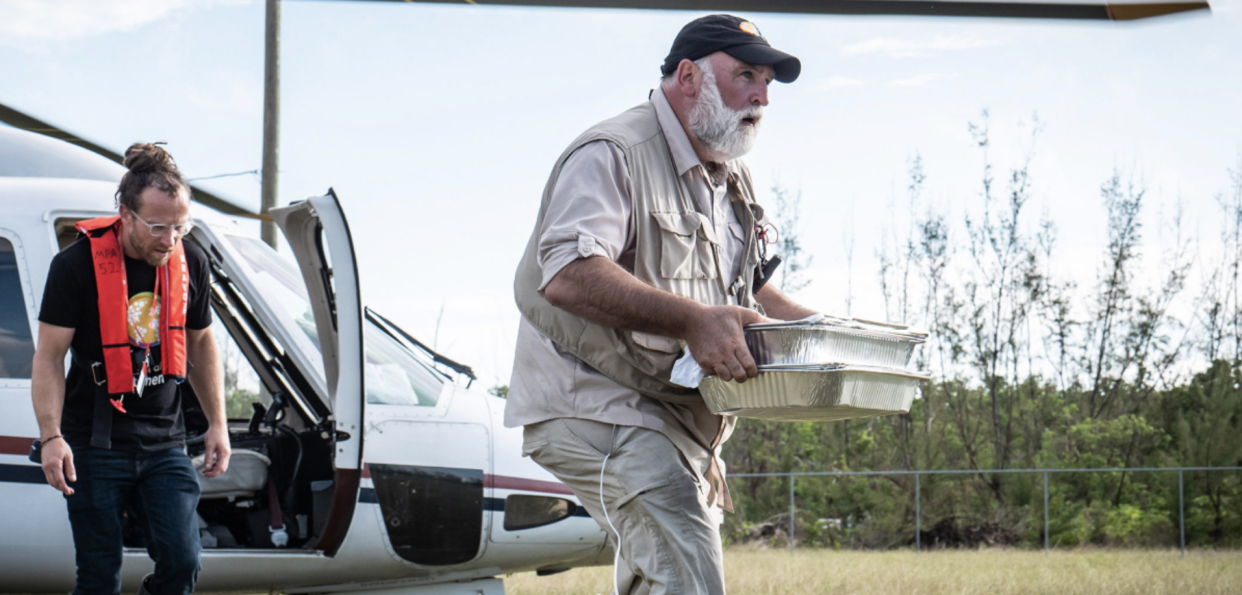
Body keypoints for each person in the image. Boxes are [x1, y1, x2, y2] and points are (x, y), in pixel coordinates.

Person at [508, 14, 816, 595]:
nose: (761, 96)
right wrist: (693, 321)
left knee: (668, 578)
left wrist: (826, 331)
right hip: (597, 405)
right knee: (688, 577)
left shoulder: (729, 178)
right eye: (746, 75)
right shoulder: (613, 151)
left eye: (768, 83)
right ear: (688, 76)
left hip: (675, 419)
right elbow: (568, 274)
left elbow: (744, 291)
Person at [31, 143, 231, 595]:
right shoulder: (75, 266)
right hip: (94, 443)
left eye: (181, 227)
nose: (170, 240)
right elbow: (47, 356)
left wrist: (217, 423)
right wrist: (50, 436)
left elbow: (200, 342)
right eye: (158, 227)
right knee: (99, 578)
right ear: (125, 213)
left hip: (165, 443)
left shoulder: (191, 262)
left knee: (182, 562)